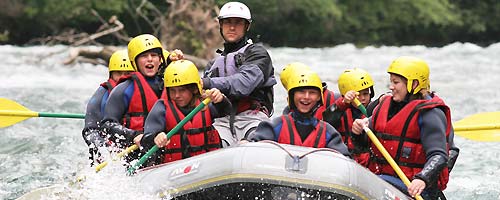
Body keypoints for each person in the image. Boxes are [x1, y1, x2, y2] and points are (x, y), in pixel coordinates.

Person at [351, 56, 450, 199]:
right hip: (381, 180)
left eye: (396, 82)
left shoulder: (430, 114)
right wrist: (358, 132)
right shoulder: (384, 107)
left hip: (414, 188)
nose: (391, 87)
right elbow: (363, 146)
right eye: (391, 81)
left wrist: (422, 178)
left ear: (414, 84)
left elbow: (439, 156)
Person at [202, 1, 276, 147]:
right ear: (221, 25)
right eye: (227, 22)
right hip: (222, 122)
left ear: (246, 26)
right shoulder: (212, 66)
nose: (232, 27)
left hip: (253, 118)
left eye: (238, 23)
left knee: (252, 143)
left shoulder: (258, 54)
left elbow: (243, 84)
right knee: (212, 143)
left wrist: (208, 83)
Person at [100, 34, 183, 159]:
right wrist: (133, 135)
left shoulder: (172, 85)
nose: (150, 59)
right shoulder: (123, 90)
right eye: (144, 56)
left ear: (160, 59)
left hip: (169, 151)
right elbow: (107, 125)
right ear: (135, 62)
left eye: (154, 55)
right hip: (136, 155)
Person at [141, 60, 231, 165]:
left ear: (193, 89)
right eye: (172, 90)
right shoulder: (161, 108)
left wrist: (221, 100)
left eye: (182, 90)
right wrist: (156, 136)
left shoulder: (205, 103)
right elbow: (146, 139)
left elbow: (226, 111)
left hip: (208, 164)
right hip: (175, 169)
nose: (177, 95)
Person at [246, 70, 350, 157]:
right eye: (301, 92)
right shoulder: (276, 126)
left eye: (312, 93)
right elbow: (253, 147)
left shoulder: (329, 133)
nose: (306, 97)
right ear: (292, 96)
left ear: (319, 98)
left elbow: (345, 160)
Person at [82, 49, 135, 166]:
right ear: (111, 74)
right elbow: (90, 131)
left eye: (127, 73)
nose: (122, 78)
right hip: (111, 154)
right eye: (118, 73)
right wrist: (105, 151)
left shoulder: (141, 92)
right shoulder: (101, 95)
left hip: (136, 148)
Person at [323, 68, 375, 167]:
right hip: (344, 160)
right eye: (358, 95)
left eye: (366, 93)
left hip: (367, 163)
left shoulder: (374, 110)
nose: (363, 98)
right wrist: (343, 103)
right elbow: (327, 121)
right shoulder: (340, 110)